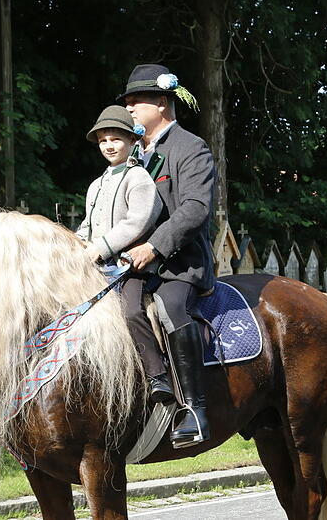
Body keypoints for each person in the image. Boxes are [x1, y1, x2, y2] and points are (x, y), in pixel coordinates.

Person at [119, 63, 217, 448]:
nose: (128, 109)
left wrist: (154, 246)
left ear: (161, 102)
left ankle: (195, 409)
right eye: (125, 102)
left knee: (168, 307)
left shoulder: (191, 148)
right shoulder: (131, 155)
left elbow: (194, 208)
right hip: (134, 263)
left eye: (135, 101)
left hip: (181, 264)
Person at [75, 105, 171, 402]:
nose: (109, 146)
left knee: (131, 311)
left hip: (131, 266)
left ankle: (158, 376)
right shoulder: (97, 184)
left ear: (131, 141)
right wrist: (74, 246)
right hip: (99, 268)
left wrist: (101, 248)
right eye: (103, 140)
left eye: (115, 139)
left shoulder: (138, 177)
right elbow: (88, 224)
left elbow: (139, 221)